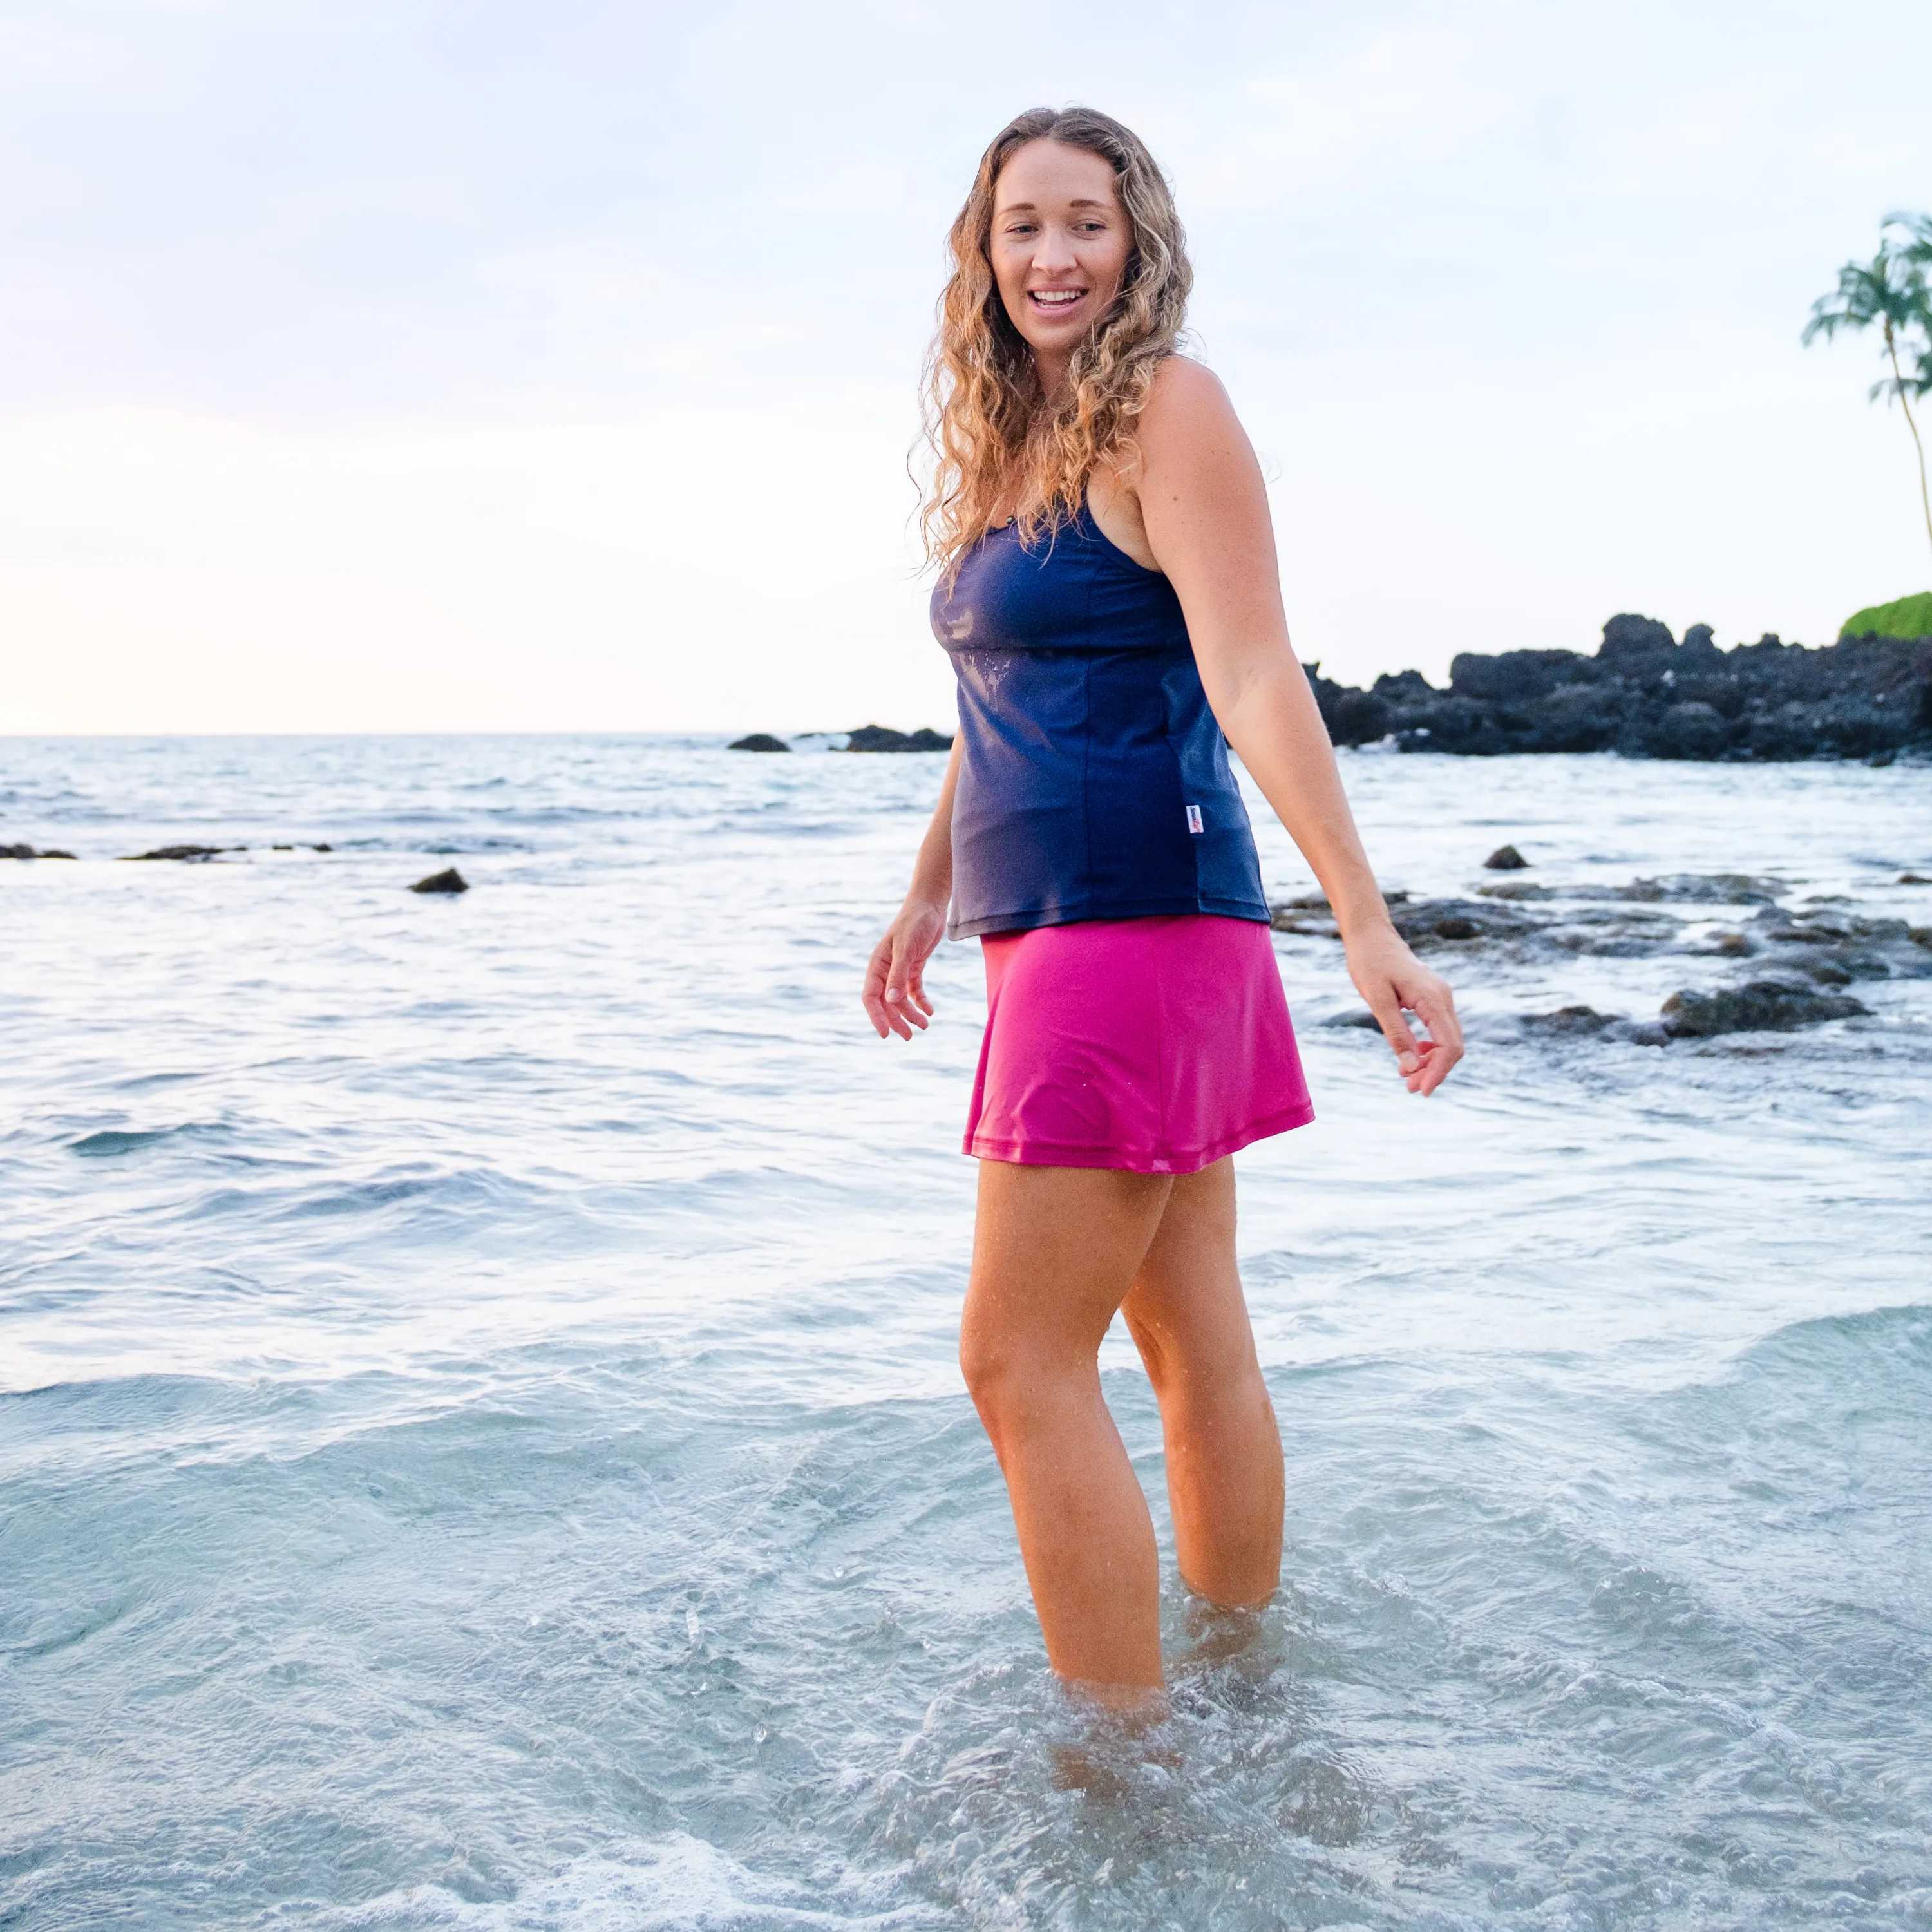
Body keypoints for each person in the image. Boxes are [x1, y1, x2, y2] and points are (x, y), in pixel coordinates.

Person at [860, 106, 1463, 1714]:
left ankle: (1119, 1773)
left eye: (1087, 223)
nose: (1053, 256)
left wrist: (1363, 915)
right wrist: (928, 893)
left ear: (1139, 242)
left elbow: (1254, 668)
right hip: (1073, 925)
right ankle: (1246, 1687)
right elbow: (1004, 704)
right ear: (980, 257)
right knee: (1191, 1338)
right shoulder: (1016, 442)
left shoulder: (1168, 408)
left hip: (1130, 926)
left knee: (1014, 1361)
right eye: (1022, 227)